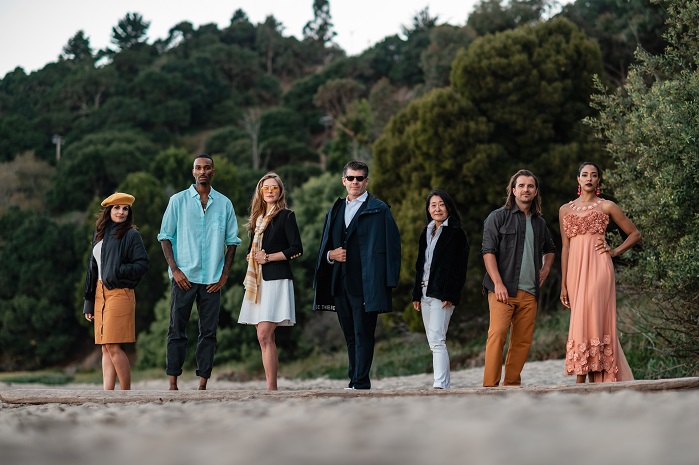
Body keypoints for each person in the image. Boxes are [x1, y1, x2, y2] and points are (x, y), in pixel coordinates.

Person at [313, 160, 401, 390]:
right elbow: (325, 247)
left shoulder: (380, 209)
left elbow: (393, 247)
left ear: (366, 181)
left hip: (367, 283)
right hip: (339, 283)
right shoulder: (334, 209)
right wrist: (331, 255)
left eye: (359, 178)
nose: (355, 182)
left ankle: (361, 381)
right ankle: (354, 379)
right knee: (350, 335)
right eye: (351, 178)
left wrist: (389, 282)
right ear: (344, 181)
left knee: (364, 333)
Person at [158, 154, 241, 391]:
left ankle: (202, 384)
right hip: (183, 276)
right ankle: (173, 383)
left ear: (213, 171)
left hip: (212, 280)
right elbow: (165, 237)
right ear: (193, 172)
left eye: (207, 167)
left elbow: (232, 242)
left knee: (209, 333)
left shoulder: (224, 204)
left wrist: (224, 275)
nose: (202, 171)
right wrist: (175, 270)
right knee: (176, 330)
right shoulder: (177, 201)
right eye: (198, 168)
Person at [559, 162, 640, 383]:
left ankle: (581, 380)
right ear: (578, 179)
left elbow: (634, 234)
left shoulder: (607, 206)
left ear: (598, 181)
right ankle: (584, 374)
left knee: (592, 317)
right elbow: (565, 247)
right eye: (584, 174)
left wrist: (614, 251)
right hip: (575, 271)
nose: (589, 178)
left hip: (599, 268)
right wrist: (564, 284)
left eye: (594, 175)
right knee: (579, 319)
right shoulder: (564, 210)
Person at [482, 169, 556, 387]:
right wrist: (497, 283)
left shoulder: (539, 223)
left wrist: (545, 269)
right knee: (497, 336)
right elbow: (488, 252)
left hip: (529, 292)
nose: (526, 189)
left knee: (522, 342)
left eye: (530, 186)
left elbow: (550, 249)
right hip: (501, 290)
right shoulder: (497, 217)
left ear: (535, 192)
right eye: (521, 186)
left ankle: (512, 384)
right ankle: (489, 386)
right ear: (513, 190)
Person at [238, 172, 303, 390]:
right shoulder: (257, 220)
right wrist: (252, 256)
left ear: (280, 191)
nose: (270, 191)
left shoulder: (287, 216)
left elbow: (296, 248)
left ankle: (271, 388)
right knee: (265, 338)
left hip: (276, 280)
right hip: (258, 282)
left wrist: (267, 258)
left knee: (264, 333)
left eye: (274, 187)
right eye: (266, 188)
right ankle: (271, 388)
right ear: (260, 191)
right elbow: (254, 250)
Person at [83, 192, 150, 390]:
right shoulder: (99, 234)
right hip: (99, 294)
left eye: (125, 209)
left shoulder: (131, 235)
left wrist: (118, 271)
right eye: (117, 208)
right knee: (105, 347)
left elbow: (142, 264)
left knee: (113, 345)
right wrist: (88, 301)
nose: (121, 212)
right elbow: (92, 268)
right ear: (109, 210)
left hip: (120, 292)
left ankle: (126, 393)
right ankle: (108, 393)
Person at [411, 190, 469, 389]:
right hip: (425, 292)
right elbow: (421, 265)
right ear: (428, 209)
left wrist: (451, 294)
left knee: (437, 340)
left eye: (441, 204)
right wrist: (416, 294)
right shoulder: (425, 232)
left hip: (442, 293)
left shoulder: (456, 232)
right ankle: (443, 383)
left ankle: (440, 384)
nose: (437, 209)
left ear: (449, 207)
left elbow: (460, 267)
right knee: (434, 341)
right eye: (433, 205)